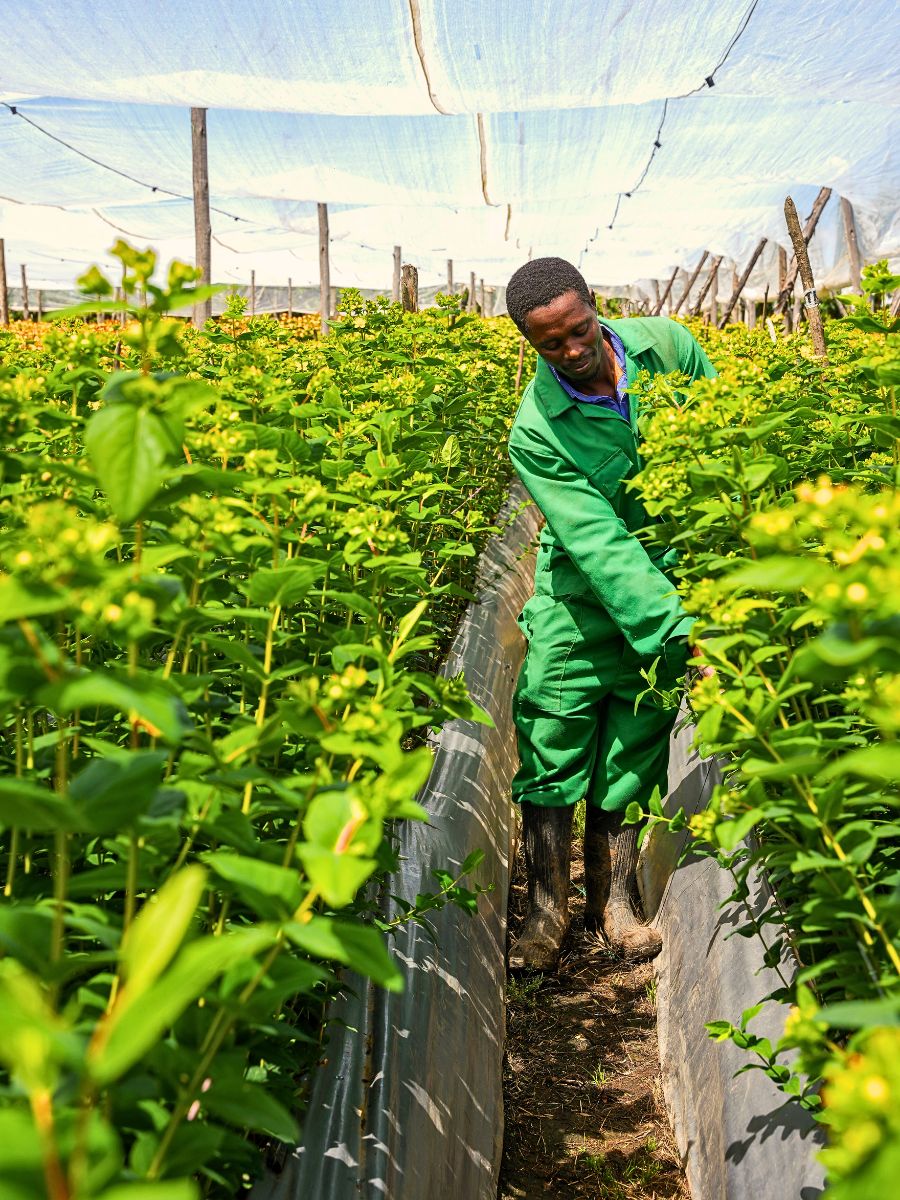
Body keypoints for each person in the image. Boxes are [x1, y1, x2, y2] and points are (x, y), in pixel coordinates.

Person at [505, 257, 716, 971]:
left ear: (597, 306)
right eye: (550, 344)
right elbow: (598, 542)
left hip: (673, 590)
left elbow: (723, 456)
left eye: (578, 330)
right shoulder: (537, 429)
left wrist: (706, 600)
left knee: (635, 740)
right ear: (531, 345)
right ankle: (544, 911)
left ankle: (615, 902)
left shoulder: (669, 350)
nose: (571, 350)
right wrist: (680, 631)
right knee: (553, 737)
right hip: (583, 601)